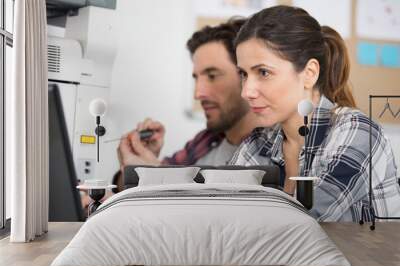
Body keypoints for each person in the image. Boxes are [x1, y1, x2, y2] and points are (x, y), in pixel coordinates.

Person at [229, 5, 400, 222]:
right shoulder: (258, 144)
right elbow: (223, 212)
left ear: (309, 74)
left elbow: (303, 222)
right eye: (243, 74)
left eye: (263, 72)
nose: (246, 92)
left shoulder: (358, 132)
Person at [112, 18, 262, 191]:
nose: (198, 94)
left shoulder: (272, 151)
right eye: (196, 78)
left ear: (246, 76)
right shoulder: (206, 140)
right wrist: (134, 168)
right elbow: (134, 184)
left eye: (212, 76)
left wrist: (157, 176)